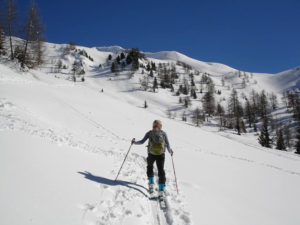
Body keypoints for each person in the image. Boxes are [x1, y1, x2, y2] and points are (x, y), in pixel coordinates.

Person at [131, 120, 173, 198]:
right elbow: (167, 145)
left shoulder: (149, 133)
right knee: (161, 170)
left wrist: (134, 142)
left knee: (150, 167)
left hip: (151, 154)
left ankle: (151, 184)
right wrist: (170, 151)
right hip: (161, 155)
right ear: (160, 126)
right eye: (161, 125)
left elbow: (142, 142)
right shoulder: (163, 133)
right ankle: (161, 190)